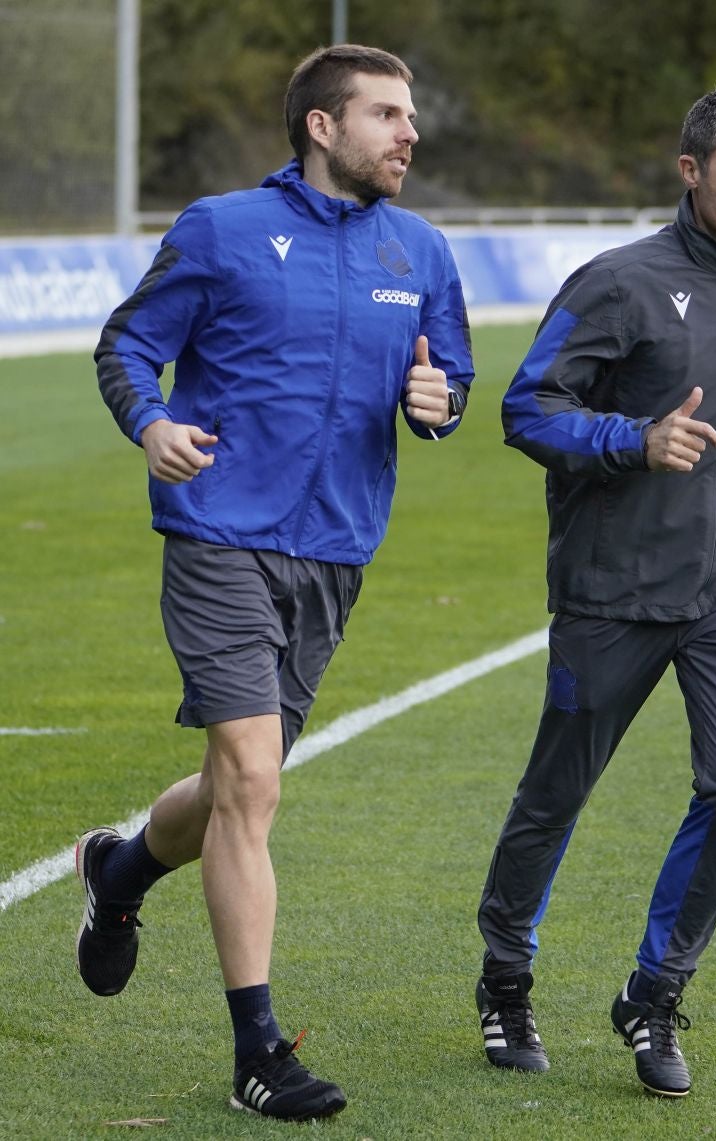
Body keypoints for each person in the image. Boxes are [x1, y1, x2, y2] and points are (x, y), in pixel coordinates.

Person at [79, 43, 473, 1123]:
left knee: (232, 788)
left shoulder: (421, 248)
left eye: (410, 115)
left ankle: (119, 875)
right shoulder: (222, 229)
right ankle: (258, 1049)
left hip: (337, 550)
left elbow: (450, 380)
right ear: (321, 126)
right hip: (218, 534)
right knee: (254, 781)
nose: (410, 133)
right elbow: (127, 347)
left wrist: (440, 403)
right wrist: (150, 423)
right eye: (387, 114)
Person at [474, 87, 716, 1097]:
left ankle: (655, 993)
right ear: (691, 169)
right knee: (556, 793)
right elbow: (527, 406)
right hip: (615, 586)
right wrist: (634, 440)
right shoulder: (619, 282)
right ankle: (506, 976)